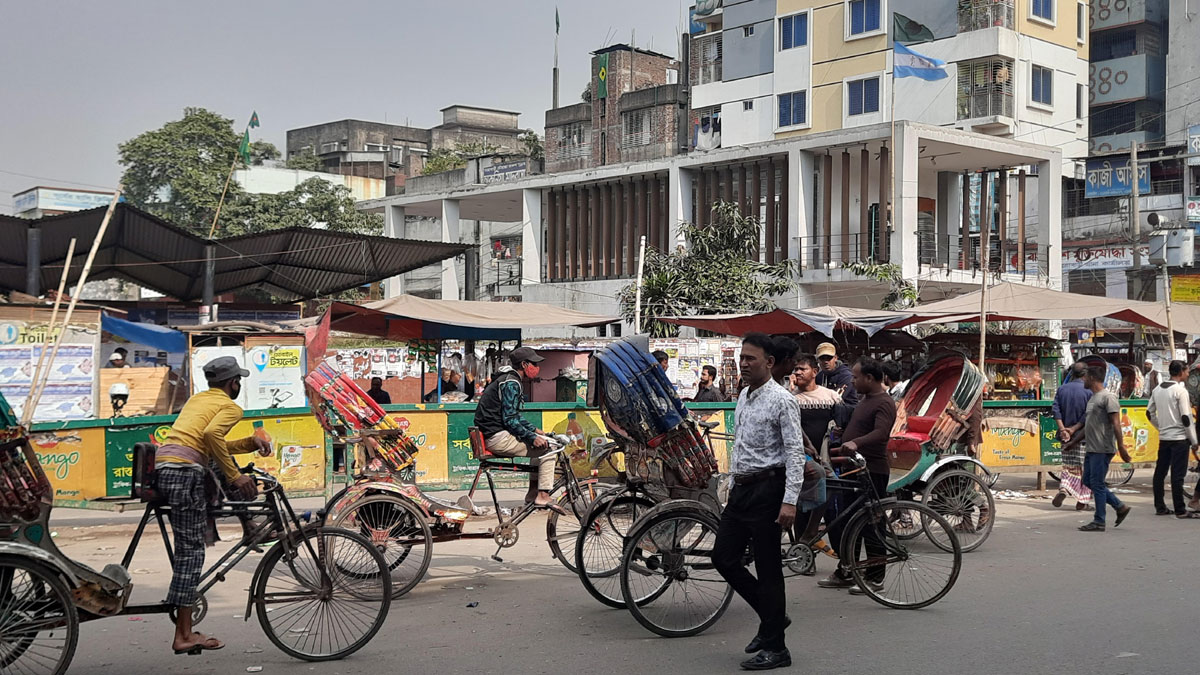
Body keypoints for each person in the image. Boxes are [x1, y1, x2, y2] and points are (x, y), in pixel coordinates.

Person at [155, 356, 271, 655]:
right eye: (238, 381)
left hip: (168, 466)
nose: (239, 385)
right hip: (182, 471)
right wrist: (236, 477)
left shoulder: (199, 400)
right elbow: (210, 435)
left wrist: (249, 442)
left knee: (188, 548)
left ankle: (249, 525)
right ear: (234, 383)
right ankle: (183, 635)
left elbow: (209, 442)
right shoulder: (231, 406)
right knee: (191, 552)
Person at [711, 333, 805, 671]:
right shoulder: (744, 396)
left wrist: (790, 501)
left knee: (768, 571)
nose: (744, 363)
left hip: (770, 491)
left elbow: (795, 453)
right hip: (742, 491)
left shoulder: (783, 400)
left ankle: (776, 647)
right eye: (742, 357)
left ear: (769, 362)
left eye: (751, 358)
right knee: (722, 557)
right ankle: (773, 617)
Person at [818, 357, 895, 595]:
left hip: (872, 470)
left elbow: (881, 433)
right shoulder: (866, 400)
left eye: (856, 377)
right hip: (854, 468)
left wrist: (855, 442)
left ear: (869, 378)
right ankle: (847, 569)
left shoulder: (884, 402)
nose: (852, 381)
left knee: (872, 525)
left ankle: (875, 577)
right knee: (850, 522)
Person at [473, 347, 562, 511]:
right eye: (534, 364)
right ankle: (542, 495)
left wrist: (535, 430)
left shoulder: (506, 380)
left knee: (542, 443)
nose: (537, 367)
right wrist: (532, 437)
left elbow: (513, 415)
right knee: (551, 448)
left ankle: (532, 493)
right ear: (524, 364)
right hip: (498, 438)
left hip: (494, 434)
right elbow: (510, 420)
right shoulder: (511, 383)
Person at [1063, 365, 1133, 532]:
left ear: (1092, 378)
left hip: (1102, 447)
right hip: (1091, 447)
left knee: (1097, 483)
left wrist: (1121, 446)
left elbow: (1116, 423)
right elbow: (1088, 425)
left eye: (1085, 378)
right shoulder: (1093, 398)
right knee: (1088, 481)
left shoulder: (1108, 398)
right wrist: (1074, 442)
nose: (1083, 381)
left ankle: (1100, 520)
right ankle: (1119, 506)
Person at [1146, 360, 1199, 518]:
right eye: (1187, 371)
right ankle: (1180, 510)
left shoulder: (1157, 390)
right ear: (1181, 372)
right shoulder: (1180, 391)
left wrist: (1161, 426)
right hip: (1179, 438)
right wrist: (1194, 440)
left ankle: (1160, 506)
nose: (1188, 374)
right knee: (1177, 475)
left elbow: (1149, 413)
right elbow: (1186, 418)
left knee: (1160, 473)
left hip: (1164, 437)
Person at [1051, 362, 1094, 511]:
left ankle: (1064, 488)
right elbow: (1088, 415)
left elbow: (1055, 410)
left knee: (1069, 467)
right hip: (1082, 437)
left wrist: (1063, 429)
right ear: (1085, 374)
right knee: (1085, 469)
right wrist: (1073, 429)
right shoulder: (1089, 391)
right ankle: (1082, 501)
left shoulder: (1062, 389)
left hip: (1065, 438)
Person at [791, 354, 842, 451]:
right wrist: (791, 389)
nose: (797, 372)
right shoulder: (789, 397)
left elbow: (841, 424)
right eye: (796, 369)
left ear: (814, 372)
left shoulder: (831, 396)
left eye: (802, 369)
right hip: (799, 453)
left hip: (827, 453)